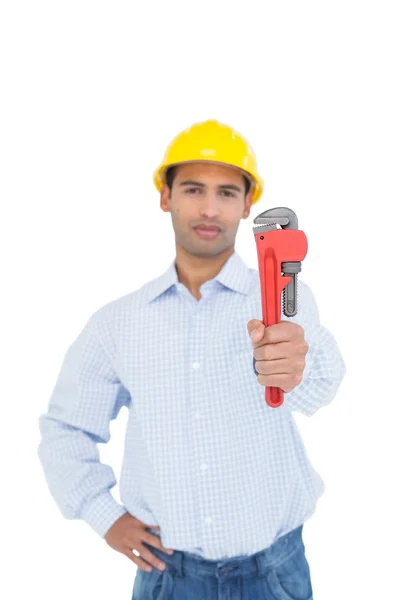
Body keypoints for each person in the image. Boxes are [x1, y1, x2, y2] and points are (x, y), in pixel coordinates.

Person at [38, 119, 346, 600]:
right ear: (166, 197)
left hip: (276, 574)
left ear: (248, 206)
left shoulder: (285, 299)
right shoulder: (117, 323)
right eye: (193, 189)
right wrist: (105, 516)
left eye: (227, 192)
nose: (208, 208)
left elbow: (320, 385)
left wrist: (294, 366)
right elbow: (66, 428)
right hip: (168, 578)